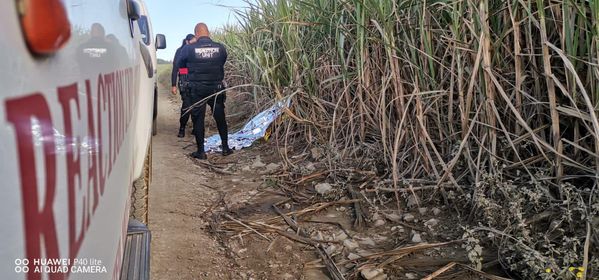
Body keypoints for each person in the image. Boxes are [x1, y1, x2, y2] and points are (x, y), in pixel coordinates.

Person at [175, 23, 232, 159]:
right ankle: (225, 147)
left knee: (198, 119)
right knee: (220, 118)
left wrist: (189, 73)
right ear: (209, 33)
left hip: (197, 89)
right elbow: (222, 62)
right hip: (216, 88)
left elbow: (180, 65)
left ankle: (201, 151)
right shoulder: (220, 48)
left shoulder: (189, 49)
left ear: (196, 35)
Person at [171, 34, 196, 137]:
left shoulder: (196, 49)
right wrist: (173, 85)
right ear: (187, 41)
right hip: (184, 81)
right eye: (193, 41)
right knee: (186, 105)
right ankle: (182, 128)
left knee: (197, 106)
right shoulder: (180, 51)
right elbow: (176, 68)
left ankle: (196, 128)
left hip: (196, 81)